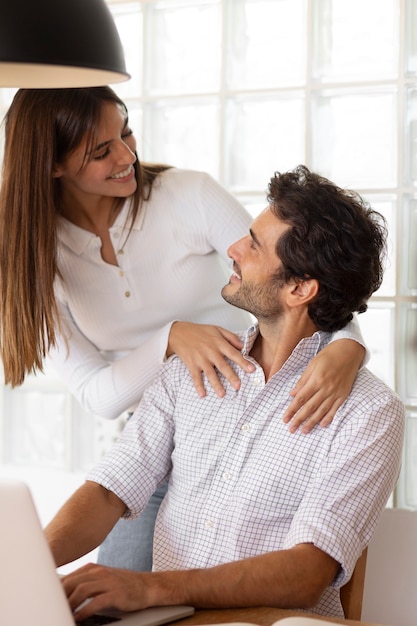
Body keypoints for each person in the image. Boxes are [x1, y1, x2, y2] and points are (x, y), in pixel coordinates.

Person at [0, 87, 365, 572]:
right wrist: (169, 338)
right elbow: (98, 394)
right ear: (51, 165)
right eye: (101, 151)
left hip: (252, 407)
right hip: (156, 433)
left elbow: (294, 274)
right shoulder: (28, 253)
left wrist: (349, 348)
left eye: (126, 132)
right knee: (112, 594)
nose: (128, 155)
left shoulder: (187, 196)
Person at [45, 165, 404, 621]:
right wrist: (28, 564)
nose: (232, 249)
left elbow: (307, 573)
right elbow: (109, 492)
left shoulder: (367, 413)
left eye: (253, 245)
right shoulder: (187, 373)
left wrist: (150, 588)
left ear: (299, 288)